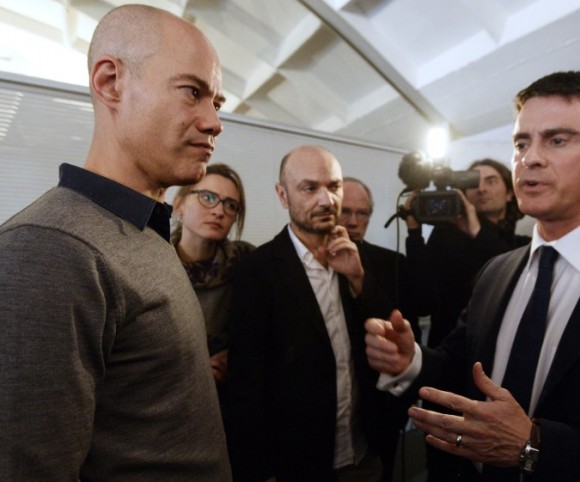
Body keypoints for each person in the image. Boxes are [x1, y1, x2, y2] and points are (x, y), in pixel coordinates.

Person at [365, 71, 580, 482]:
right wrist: (410, 360)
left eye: (557, 140)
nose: (530, 158)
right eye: (522, 143)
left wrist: (533, 446)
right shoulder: (497, 271)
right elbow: (462, 367)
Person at [0, 5, 232, 480]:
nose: (214, 123)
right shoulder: (50, 249)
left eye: (218, 104)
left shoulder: (144, 229)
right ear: (110, 83)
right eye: (193, 92)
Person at [225, 145, 397, 482]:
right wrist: (260, 470)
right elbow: (247, 383)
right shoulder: (257, 271)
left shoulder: (364, 259)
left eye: (333, 187)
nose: (326, 200)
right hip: (296, 464)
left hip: (365, 455)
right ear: (283, 194)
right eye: (309, 188)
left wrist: (359, 279)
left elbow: (391, 344)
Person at [338, 176, 419, 482]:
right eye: (346, 211)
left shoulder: (391, 263)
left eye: (363, 213)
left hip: (378, 407)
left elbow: (411, 316)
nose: (354, 221)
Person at [405, 158, 530, 349]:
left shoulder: (524, 246)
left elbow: (517, 280)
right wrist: (414, 234)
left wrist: (476, 231)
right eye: (473, 182)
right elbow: (423, 302)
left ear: (509, 193)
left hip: (504, 350)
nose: (481, 189)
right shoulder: (445, 237)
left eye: (491, 181)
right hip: (450, 354)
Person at [172, 163, 255, 389]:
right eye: (208, 197)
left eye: (230, 205)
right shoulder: (156, 265)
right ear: (178, 204)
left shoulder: (247, 262)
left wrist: (236, 355)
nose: (219, 211)